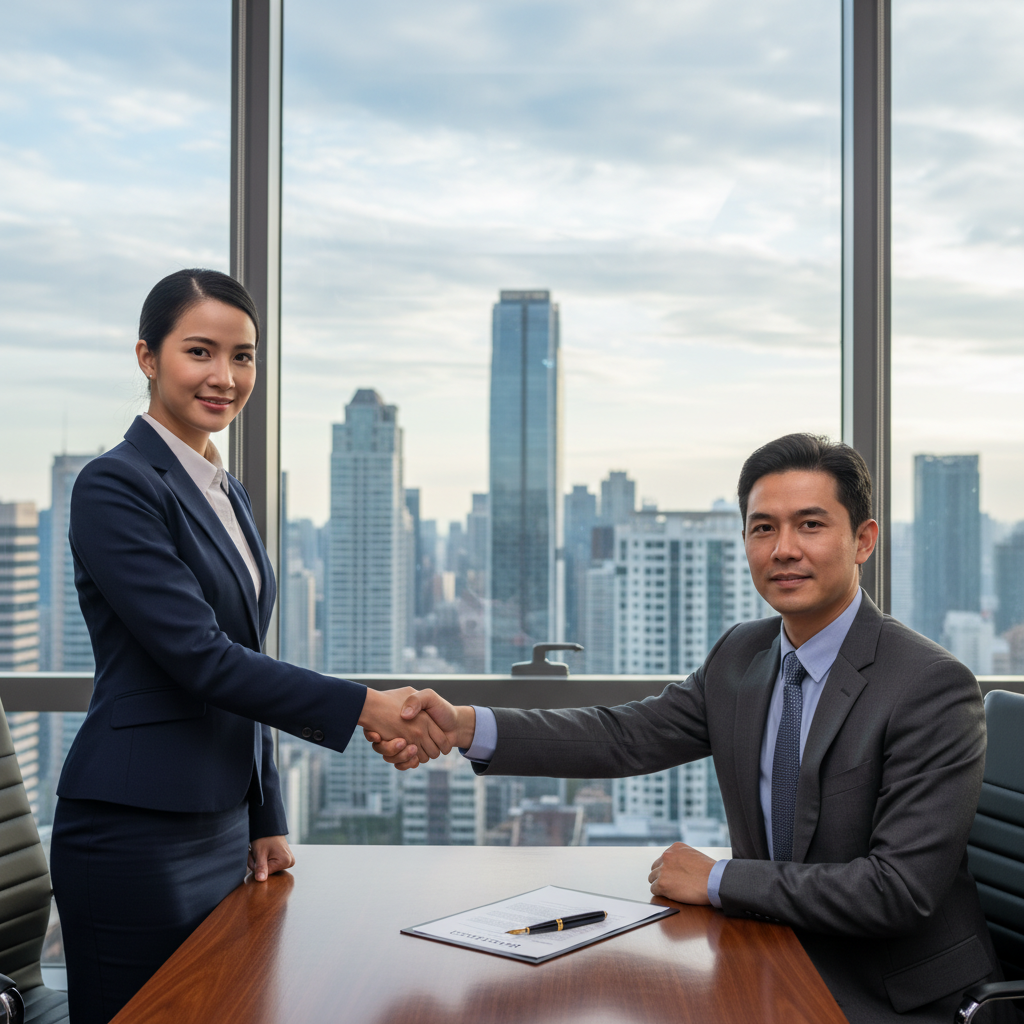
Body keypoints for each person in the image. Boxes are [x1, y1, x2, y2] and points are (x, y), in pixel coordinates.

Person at [369, 434, 1013, 1024]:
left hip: (895, 996)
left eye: (810, 525)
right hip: (770, 955)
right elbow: (622, 735)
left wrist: (715, 878)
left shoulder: (929, 685)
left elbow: (896, 892)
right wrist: (460, 727)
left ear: (864, 540)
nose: (783, 548)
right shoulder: (741, 656)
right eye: (763, 529)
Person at [49, 268, 450, 1024]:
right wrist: (364, 705)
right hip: (134, 831)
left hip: (221, 823)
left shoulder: (224, 491)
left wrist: (265, 810)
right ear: (147, 357)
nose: (225, 377)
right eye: (200, 352)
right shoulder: (115, 484)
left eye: (244, 357)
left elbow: (246, 652)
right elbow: (200, 656)